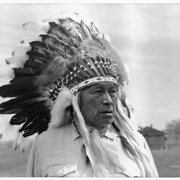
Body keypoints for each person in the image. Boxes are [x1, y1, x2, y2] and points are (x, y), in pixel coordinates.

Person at [0, 12, 159, 177]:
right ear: (74, 99)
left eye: (112, 91)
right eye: (98, 91)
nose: (108, 101)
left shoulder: (135, 143)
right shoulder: (46, 143)